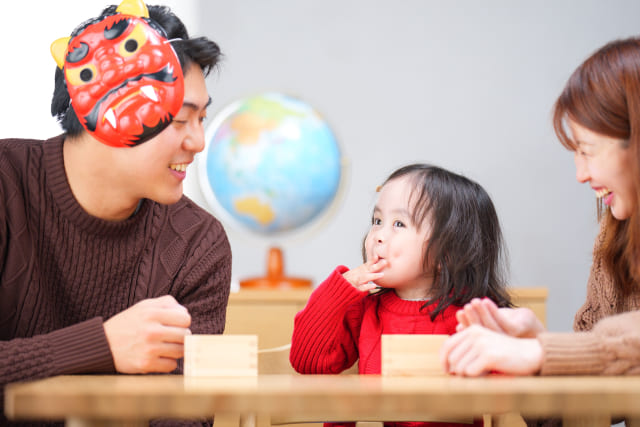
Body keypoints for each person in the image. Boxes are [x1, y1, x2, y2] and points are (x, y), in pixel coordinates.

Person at [0, 1, 231, 425]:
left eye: (201, 117)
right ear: (103, 113)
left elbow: (184, 416)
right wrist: (99, 345)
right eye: (180, 119)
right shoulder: (5, 183)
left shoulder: (198, 243)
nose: (199, 142)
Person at [439, 37, 640, 380]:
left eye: (588, 150)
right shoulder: (615, 236)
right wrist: (536, 343)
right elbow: (601, 374)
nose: (580, 175)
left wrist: (538, 352)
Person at [289, 164, 512, 427]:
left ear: (447, 253)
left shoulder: (473, 318)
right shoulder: (364, 310)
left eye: (398, 224)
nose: (378, 236)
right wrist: (338, 291)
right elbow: (307, 362)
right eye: (377, 221)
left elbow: (512, 391)